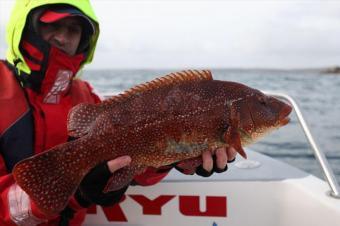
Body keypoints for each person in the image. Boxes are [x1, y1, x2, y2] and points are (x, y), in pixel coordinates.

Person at [0, 0, 237, 225]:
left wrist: (175, 157)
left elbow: (134, 159)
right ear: (24, 27)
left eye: (73, 29)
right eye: (51, 24)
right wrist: (78, 194)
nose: (62, 37)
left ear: (85, 40)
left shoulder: (87, 97)